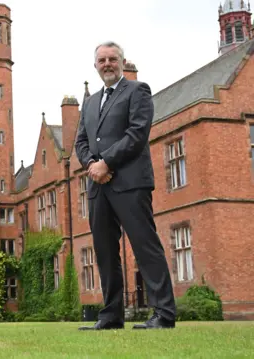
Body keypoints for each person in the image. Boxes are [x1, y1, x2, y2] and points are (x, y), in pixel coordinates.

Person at [75, 41, 176, 330]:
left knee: (146, 247)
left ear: (122, 62)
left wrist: (106, 162)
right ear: (95, 65)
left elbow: (137, 133)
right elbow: (81, 142)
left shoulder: (137, 90)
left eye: (112, 59)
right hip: (98, 186)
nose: (107, 64)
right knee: (105, 252)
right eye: (102, 60)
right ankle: (110, 315)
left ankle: (164, 314)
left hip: (130, 183)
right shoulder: (91, 102)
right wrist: (92, 166)